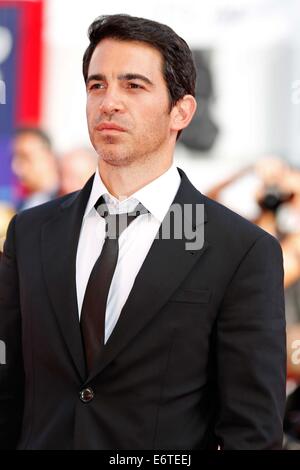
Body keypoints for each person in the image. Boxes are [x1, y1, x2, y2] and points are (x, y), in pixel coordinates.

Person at [0, 14, 286, 450]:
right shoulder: (32, 232)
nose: (109, 102)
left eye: (133, 85)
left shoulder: (241, 250)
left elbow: (252, 429)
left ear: (181, 111)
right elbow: (9, 387)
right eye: (97, 85)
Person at [12, 127, 59, 211]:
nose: (15, 166)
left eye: (25, 157)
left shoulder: (72, 200)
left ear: (48, 157)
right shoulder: (18, 207)